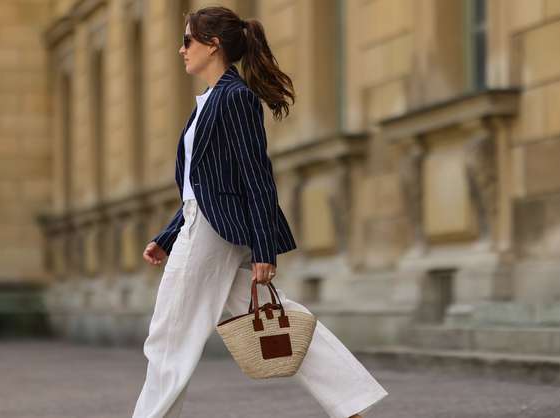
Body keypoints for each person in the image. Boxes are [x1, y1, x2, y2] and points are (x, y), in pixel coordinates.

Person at [133, 6, 388, 418]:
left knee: (169, 335)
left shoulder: (235, 98)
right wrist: (167, 236)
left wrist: (265, 250)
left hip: (212, 233)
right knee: (274, 315)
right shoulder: (209, 101)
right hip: (206, 225)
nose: (181, 49)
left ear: (212, 45)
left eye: (187, 40)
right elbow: (205, 187)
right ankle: (353, 402)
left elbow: (255, 176)